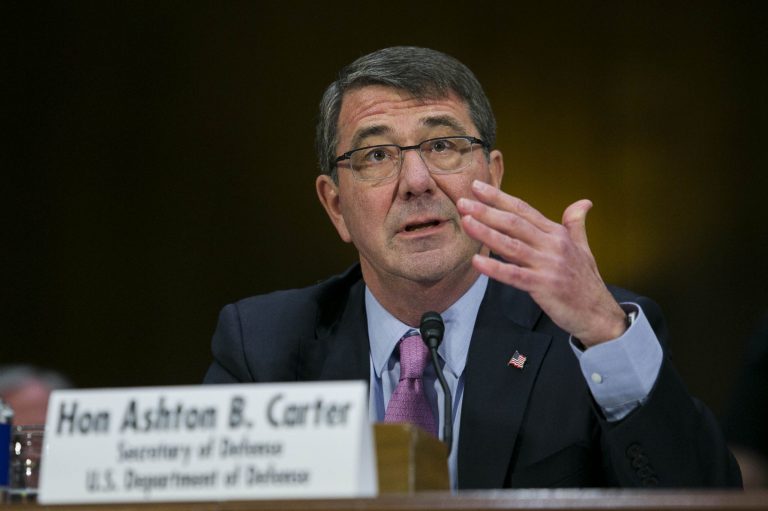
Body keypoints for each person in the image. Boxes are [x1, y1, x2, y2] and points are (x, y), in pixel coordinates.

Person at [204, 46, 740, 489]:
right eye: (376, 156)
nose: (416, 181)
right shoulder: (264, 346)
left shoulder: (591, 336)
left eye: (443, 145)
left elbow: (707, 495)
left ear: (493, 175)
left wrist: (604, 332)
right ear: (336, 206)